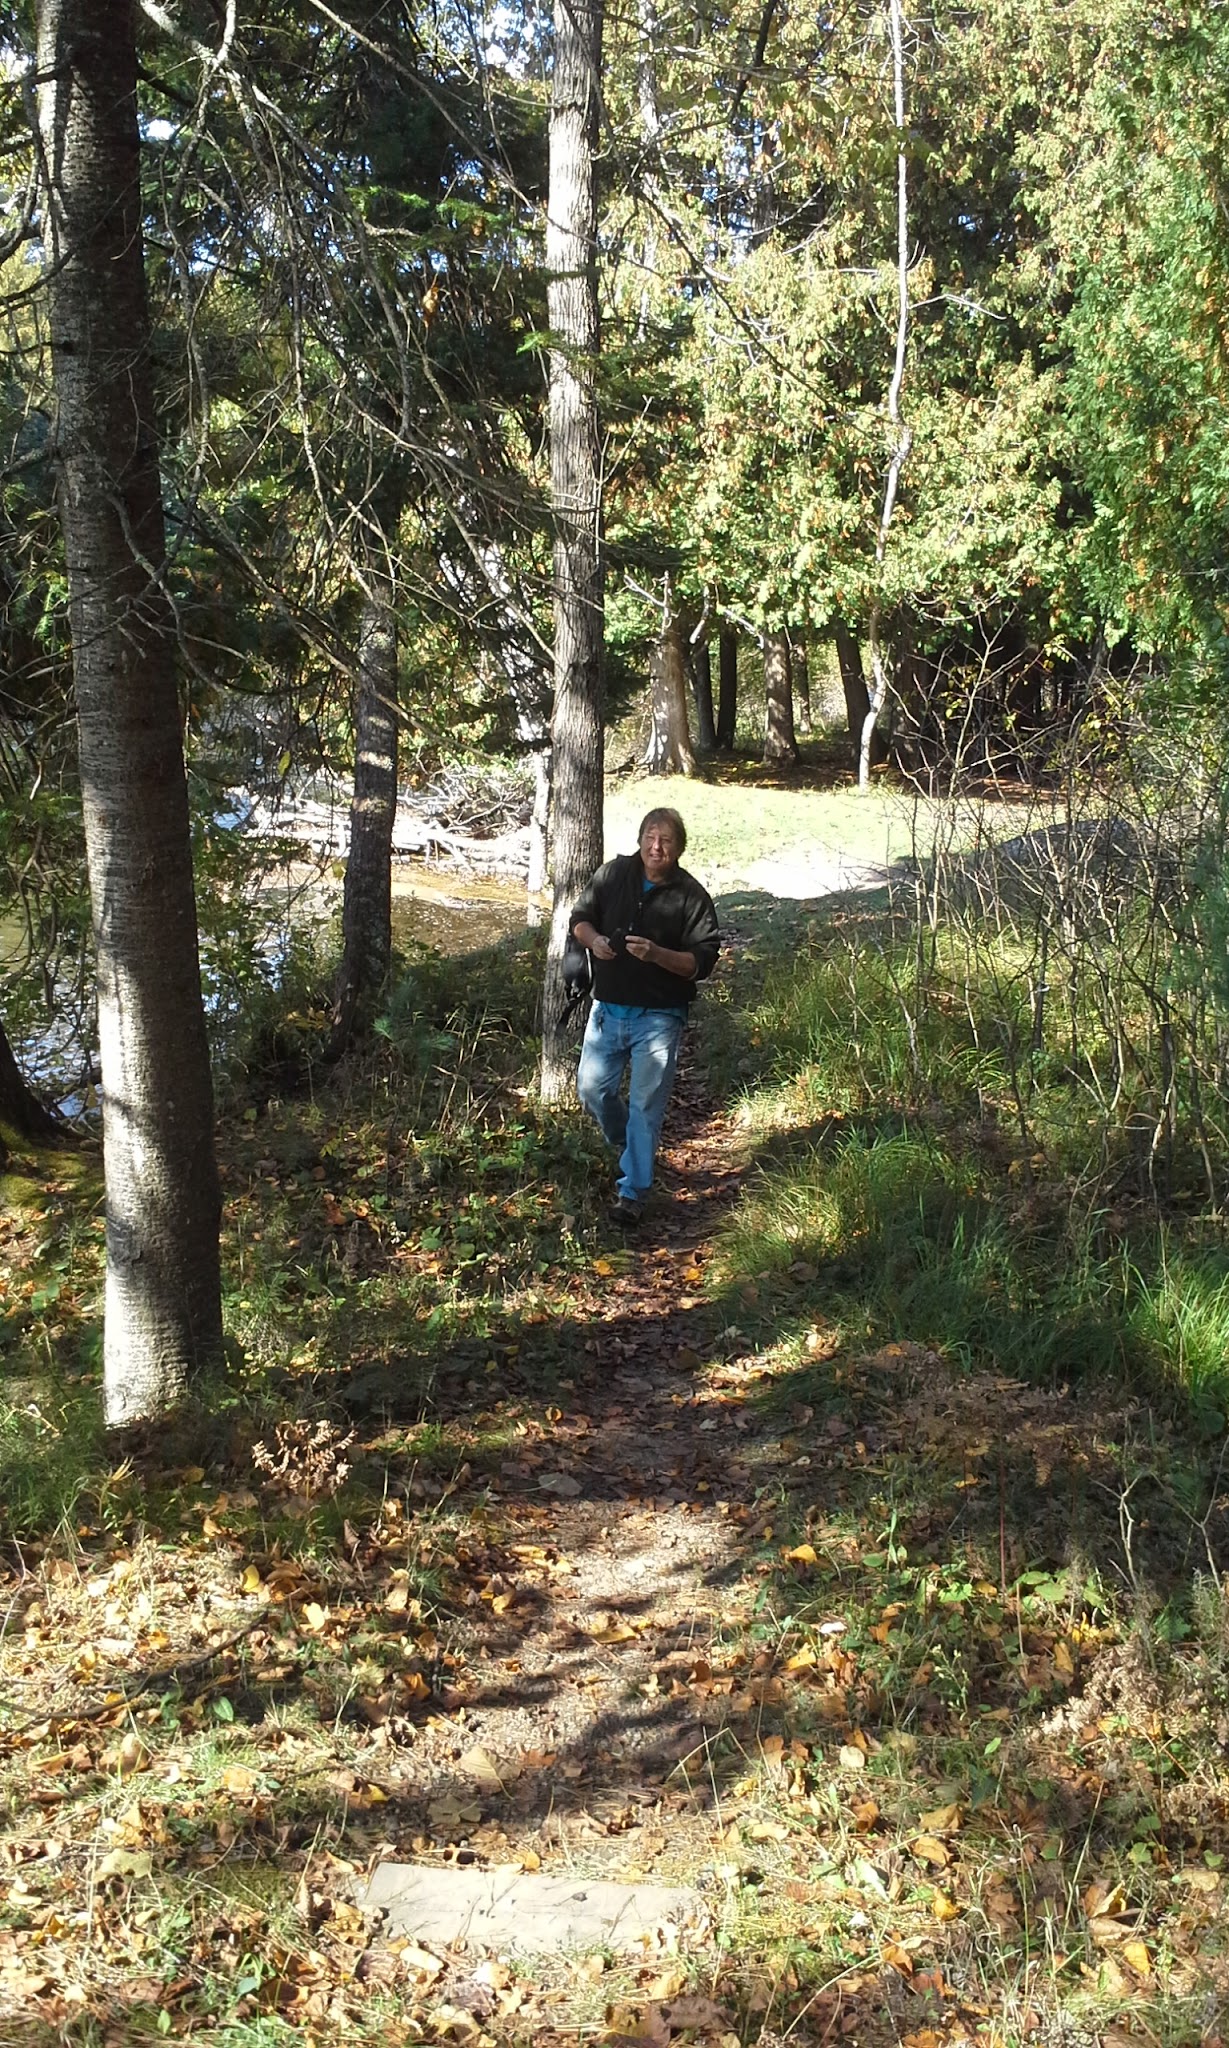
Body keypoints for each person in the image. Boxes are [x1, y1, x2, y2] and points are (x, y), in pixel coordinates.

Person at [570, 808, 720, 1226]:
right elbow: (579, 919)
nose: (657, 847)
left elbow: (701, 962)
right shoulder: (613, 875)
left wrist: (656, 955)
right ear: (640, 839)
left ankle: (632, 1192)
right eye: (651, 837)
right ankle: (632, 1151)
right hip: (608, 1007)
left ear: (678, 848)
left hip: (660, 1015)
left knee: (645, 1105)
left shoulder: (691, 896)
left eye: (666, 841)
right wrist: (595, 940)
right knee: (592, 1090)